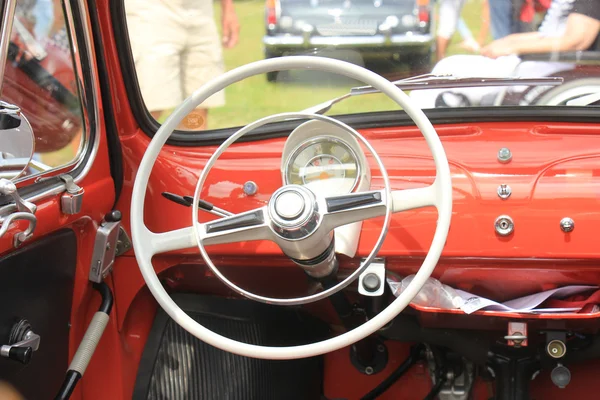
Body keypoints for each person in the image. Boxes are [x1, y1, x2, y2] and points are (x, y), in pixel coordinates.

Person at [410, 0, 600, 108]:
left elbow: (576, 41)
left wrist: (514, 48)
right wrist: (510, 41)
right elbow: (552, 35)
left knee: (447, 72)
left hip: (554, 71)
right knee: (447, 67)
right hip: (543, 64)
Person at [126, 0, 240, 131]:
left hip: (200, 10)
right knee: (149, 108)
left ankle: (190, 150)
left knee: (197, 108)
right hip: (151, 9)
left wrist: (228, 7)